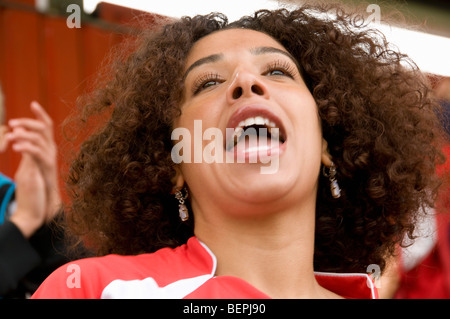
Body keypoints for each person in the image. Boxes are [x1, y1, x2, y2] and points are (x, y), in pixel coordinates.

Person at [32, 4, 446, 299]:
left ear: (327, 146)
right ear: (175, 162)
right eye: (207, 82)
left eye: (277, 71)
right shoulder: (92, 290)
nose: (246, 82)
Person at [0, 86, 68, 298]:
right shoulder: (23, 212)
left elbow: (70, 283)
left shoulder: (13, 200)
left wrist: (51, 210)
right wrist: (23, 222)